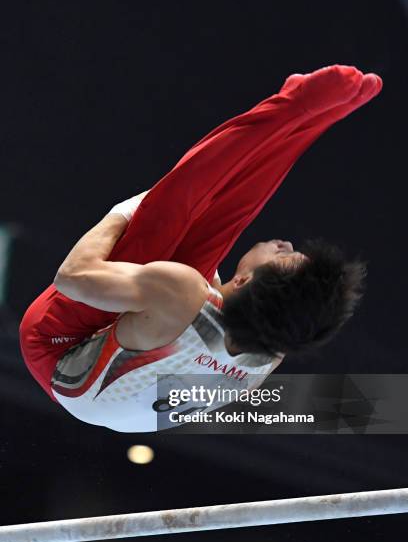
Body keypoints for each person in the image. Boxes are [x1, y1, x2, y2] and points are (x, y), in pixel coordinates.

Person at [19, 64, 382, 432]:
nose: (284, 243)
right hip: (141, 367)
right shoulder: (269, 347)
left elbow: (71, 278)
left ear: (242, 283)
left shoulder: (187, 296)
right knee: (214, 232)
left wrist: (126, 211)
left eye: (284, 255)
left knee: (172, 213)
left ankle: (294, 107)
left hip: (57, 351)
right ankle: (309, 121)